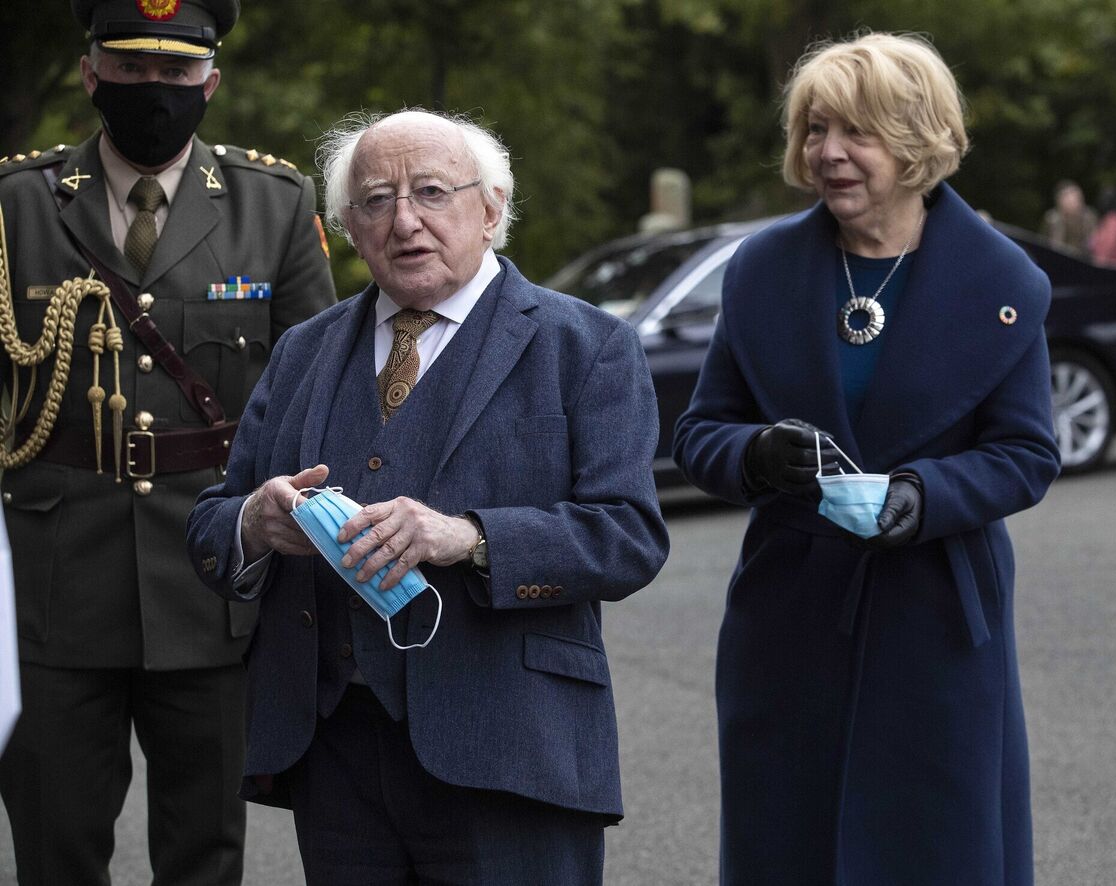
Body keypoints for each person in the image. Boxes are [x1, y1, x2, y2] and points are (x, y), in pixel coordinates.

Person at [185, 108, 669, 884]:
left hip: (511, 748)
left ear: (492, 209)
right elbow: (213, 519)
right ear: (351, 227)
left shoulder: (584, 345)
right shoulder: (304, 350)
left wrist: (469, 537)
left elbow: (627, 536)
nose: (405, 221)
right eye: (377, 200)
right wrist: (256, 521)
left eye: (432, 192)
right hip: (334, 754)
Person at [673, 33, 1061, 885]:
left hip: (936, 617)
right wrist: (758, 453)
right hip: (788, 615)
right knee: (787, 847)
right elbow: (700, 433)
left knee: (933, 848)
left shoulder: (1002, 280)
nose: (828, 152)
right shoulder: (762, 268)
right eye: (815, 129)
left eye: (858, 131)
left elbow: (1027, 453)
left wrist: (923, 494)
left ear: (918, 141)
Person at [0, 0, 337, 882]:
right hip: (50, 587)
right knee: (55, 847)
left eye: (177, 72)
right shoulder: (15, 204)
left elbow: (316, 391)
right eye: (132, 68)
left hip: (212, 584)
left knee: (205, 853)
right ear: (91, 73)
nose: (155, 90)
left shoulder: (274, 204)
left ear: (211, 82)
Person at [1041, 178, 1097, 253]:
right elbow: (1051, 246)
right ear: (1059, 201)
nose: (1072, 200)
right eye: (1067, 197)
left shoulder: (1089, 217)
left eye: (1075, 197)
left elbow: (1094, 244)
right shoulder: (1053, 219)